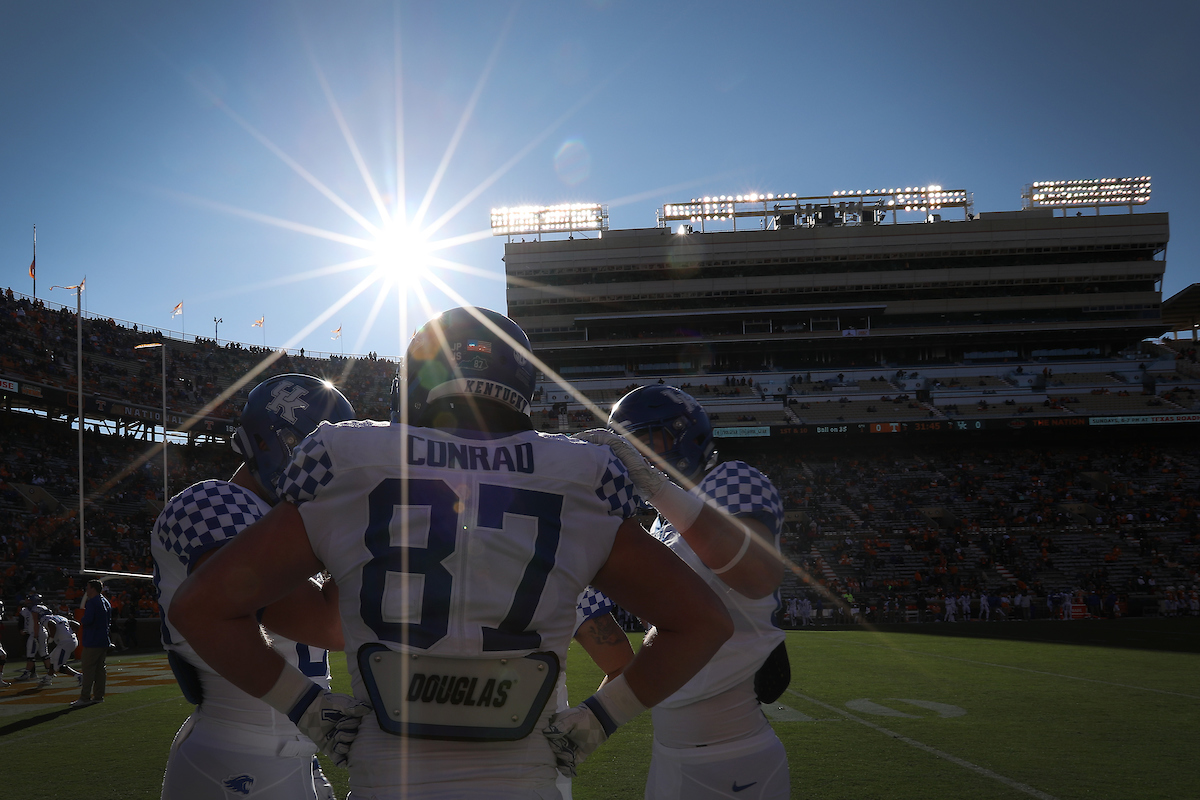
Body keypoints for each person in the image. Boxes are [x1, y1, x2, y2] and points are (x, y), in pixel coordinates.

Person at [170, 307, 733, 800]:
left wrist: (306, 709)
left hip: (389, 776)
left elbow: (201, 608)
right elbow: (702, 622)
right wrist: (600, 720)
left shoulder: (346, 457)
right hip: (524, 778)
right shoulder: (581, 474)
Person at [575, 384, 790, 800]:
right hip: (672, 750)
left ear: (685, 434)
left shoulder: (732, 479)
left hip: (730, 756)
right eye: (629, 447)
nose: (638, 456)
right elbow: (639, 649)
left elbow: (756, 574)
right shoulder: (660, 523)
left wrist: (656, 489)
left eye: (649, 440)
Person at [153, 373, 358, 800]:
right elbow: (328, 624)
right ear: (264, 442)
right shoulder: (211, 500)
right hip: (241, 759)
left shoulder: (290, 525)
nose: (323, 468)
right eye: (310, 450)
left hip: (282, 754)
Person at [73, 580, 112, 707]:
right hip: (103, 639)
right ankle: (99, 695)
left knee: (88, 669)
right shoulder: (105, 602)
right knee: (100, 670)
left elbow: (88, 620)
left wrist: (81, 619)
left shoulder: (93, 603)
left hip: (93, 640)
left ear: (93, 589)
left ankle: (85, 697)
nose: (86, 590)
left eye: (88, 588)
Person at [40, 611, 83, 686]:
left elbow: (51, 624)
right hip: (69, 640)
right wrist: (73, 633)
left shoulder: (44, 618)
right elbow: (76, 624)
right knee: (52, 659)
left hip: (65, 643)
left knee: (59, 666)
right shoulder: (60, 617)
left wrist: (51, 638)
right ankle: (48, 678)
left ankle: (79, 676)